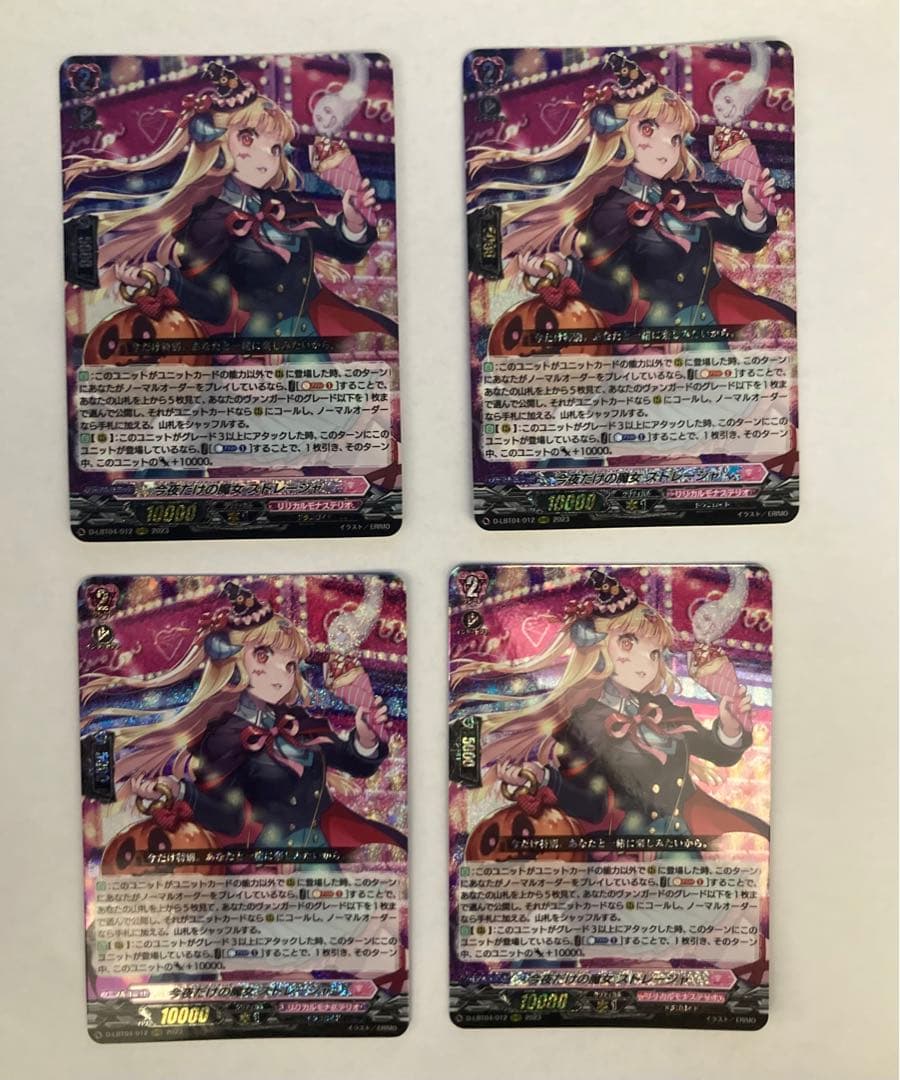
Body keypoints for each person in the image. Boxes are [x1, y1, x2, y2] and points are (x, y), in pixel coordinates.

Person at [64, 61, 397, 342]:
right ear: (220, 145)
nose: (266, 157)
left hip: (312, 336)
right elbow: (214, 306)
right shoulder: (207, 222)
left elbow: (343, 248)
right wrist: (165, 279)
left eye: (275, 147)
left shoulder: (286, 205)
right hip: (252, 352)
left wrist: (353, 222)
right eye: (249, 138)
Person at [467, 53, 794, 331]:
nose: (667, 148)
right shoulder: (609, 214)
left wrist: (752, 211)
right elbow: (616, 297)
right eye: (649, 129)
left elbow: (741, 238)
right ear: (620, 136)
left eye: (676, 138)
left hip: (718, 311)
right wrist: (567, 269)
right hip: (661, 335)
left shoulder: (685, 196)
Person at [82, 580, 405, 853]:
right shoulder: (222, 737)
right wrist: (179, 792)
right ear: (235, 662)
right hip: (275, 858)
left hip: (330, 836)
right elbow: (228, 818)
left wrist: (365, 738)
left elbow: (353, 762)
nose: (282, 674)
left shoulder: (297, 720)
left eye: (290, 664)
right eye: (264, 656)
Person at [451, 572, 768, 839]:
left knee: (758, 839)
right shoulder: (584, 722)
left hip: (690, 826)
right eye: (628, 644)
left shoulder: (660, 708)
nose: (646, 663)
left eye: (654, 653)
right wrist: (544, 778)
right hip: (629, 845)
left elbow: (719, 752)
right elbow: (592, 805)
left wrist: (729, 727)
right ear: (599, 648)